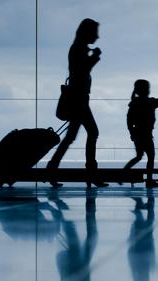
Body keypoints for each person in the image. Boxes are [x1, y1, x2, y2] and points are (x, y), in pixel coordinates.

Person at [47, 18, 107, 188]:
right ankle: (91, 174)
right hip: (79, 99)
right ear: (87, 33)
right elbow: (81, 71)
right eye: (95, 32)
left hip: (78, 98)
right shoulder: (79, 49)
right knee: (92, 132)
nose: (97, 36)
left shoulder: (78, 48)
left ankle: (52, 169)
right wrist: (95, 58)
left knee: (71, 137)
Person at [123, 79, 158, 188]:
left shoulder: (134, 103)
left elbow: (129, 120)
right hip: (146, 135)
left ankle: (124, 173)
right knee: (150, 156)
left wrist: (132, 133)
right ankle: (148, 180)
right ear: (145, 90)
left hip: (138, 134)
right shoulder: (149, 103)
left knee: (139, 156)